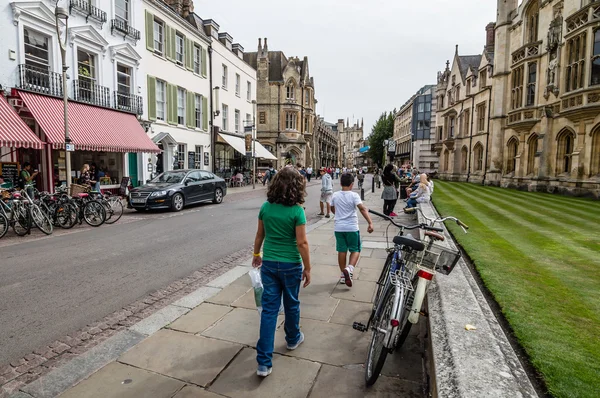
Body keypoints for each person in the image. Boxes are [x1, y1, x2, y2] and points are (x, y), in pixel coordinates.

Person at [252, 167, 311, 377]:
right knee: (292, 303)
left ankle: (263, 363)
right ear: (297, 187)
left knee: (269, 311)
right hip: (291, 265)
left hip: (268, 263)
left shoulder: (266, 207)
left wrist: (256, 254)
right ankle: (293, 339)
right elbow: (302, 243)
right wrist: (308, 268)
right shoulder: (297, 211)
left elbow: (260, 235)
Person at [331, 173, 374, 287]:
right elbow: (362, 209)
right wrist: (370, 222)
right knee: (355, 249)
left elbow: (331, 208)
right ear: (352, 184)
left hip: (339, 228)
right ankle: (349, 269)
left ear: (340, 183)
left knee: (342, 250)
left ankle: (342, 275)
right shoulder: (354, 195)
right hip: (352, 227)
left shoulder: (335, 195)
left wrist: (338, 215)